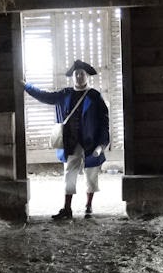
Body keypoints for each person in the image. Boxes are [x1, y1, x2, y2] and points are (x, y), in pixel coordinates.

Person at [23, 60, 110, 220]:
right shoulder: (65, 94)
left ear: (87, 76)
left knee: (91, 175)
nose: (79, 76)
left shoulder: (94, 96)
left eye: (82, 74)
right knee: (69, 174)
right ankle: (67, 208)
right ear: (73, 77)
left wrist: (102, 143)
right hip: (71, 142)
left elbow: (104, 121)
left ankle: (88, 205)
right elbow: (45, 96)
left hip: (91, 142)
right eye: (76, 74)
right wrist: (27, 86)